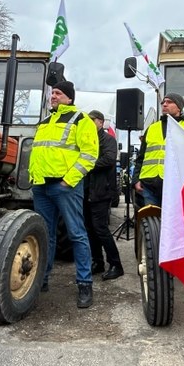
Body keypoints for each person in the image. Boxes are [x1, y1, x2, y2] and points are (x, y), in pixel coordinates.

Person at [29, 80, 98, 308]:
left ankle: (85, 284)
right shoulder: (45, 122)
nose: (53, 96)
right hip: (41, 187)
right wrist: (33, 178)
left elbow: (89, 155)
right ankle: (42, 280)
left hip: (64, 187)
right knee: (45, 236)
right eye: (52, 93)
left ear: (69, 97)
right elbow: (38, 153)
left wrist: (68, 181)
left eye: (58, 93)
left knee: (77, 234)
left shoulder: (81, 120)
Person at [132, 93, 184, 207]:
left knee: (172, 223)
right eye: (163, 102)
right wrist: (136, 180)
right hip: (148, 184)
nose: (164, 104)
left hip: (175, 185)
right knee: (150, 221)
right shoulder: (152, 128)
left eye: (169, 102)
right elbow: (141, 157)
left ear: (179, 107)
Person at [83, 110, 123, 280]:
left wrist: (85, 164)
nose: (89, 123)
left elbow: (108, 160)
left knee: (101, 229)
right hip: (86, 191)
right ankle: (97, 262)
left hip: (101, 191)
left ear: (100, 122)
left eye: (92, 120)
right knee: (90, 229)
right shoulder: (85, 139)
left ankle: (116, 264)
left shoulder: (108, 140)